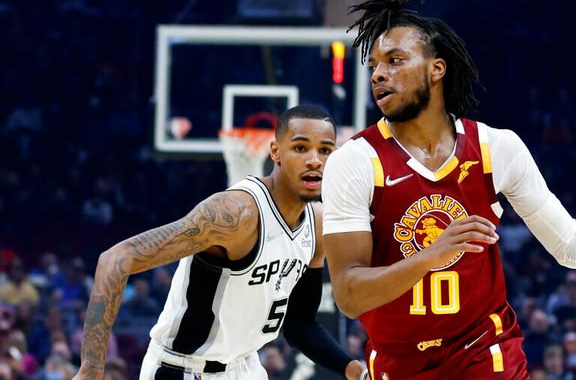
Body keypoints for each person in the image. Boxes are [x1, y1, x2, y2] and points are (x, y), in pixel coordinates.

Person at [321, 0, 576, 379]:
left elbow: (569, 242)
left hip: (485, 355)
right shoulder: (354, 161)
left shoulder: (496, 148)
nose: (378, 74)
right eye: (374, 66)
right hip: (397, 363)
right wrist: (431, 256)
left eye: (395, 60)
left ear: (437, 68)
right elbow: (350, 296)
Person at [74, 105, 366, 380]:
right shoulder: (236, 214)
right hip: (184, 368)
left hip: (246, 366)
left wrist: (353, 369)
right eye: (301, 148)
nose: (315, 159)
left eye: (325, 150)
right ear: (275, 152)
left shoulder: (317, 222)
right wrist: (91, 368)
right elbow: (115, 259)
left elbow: (300, 325)